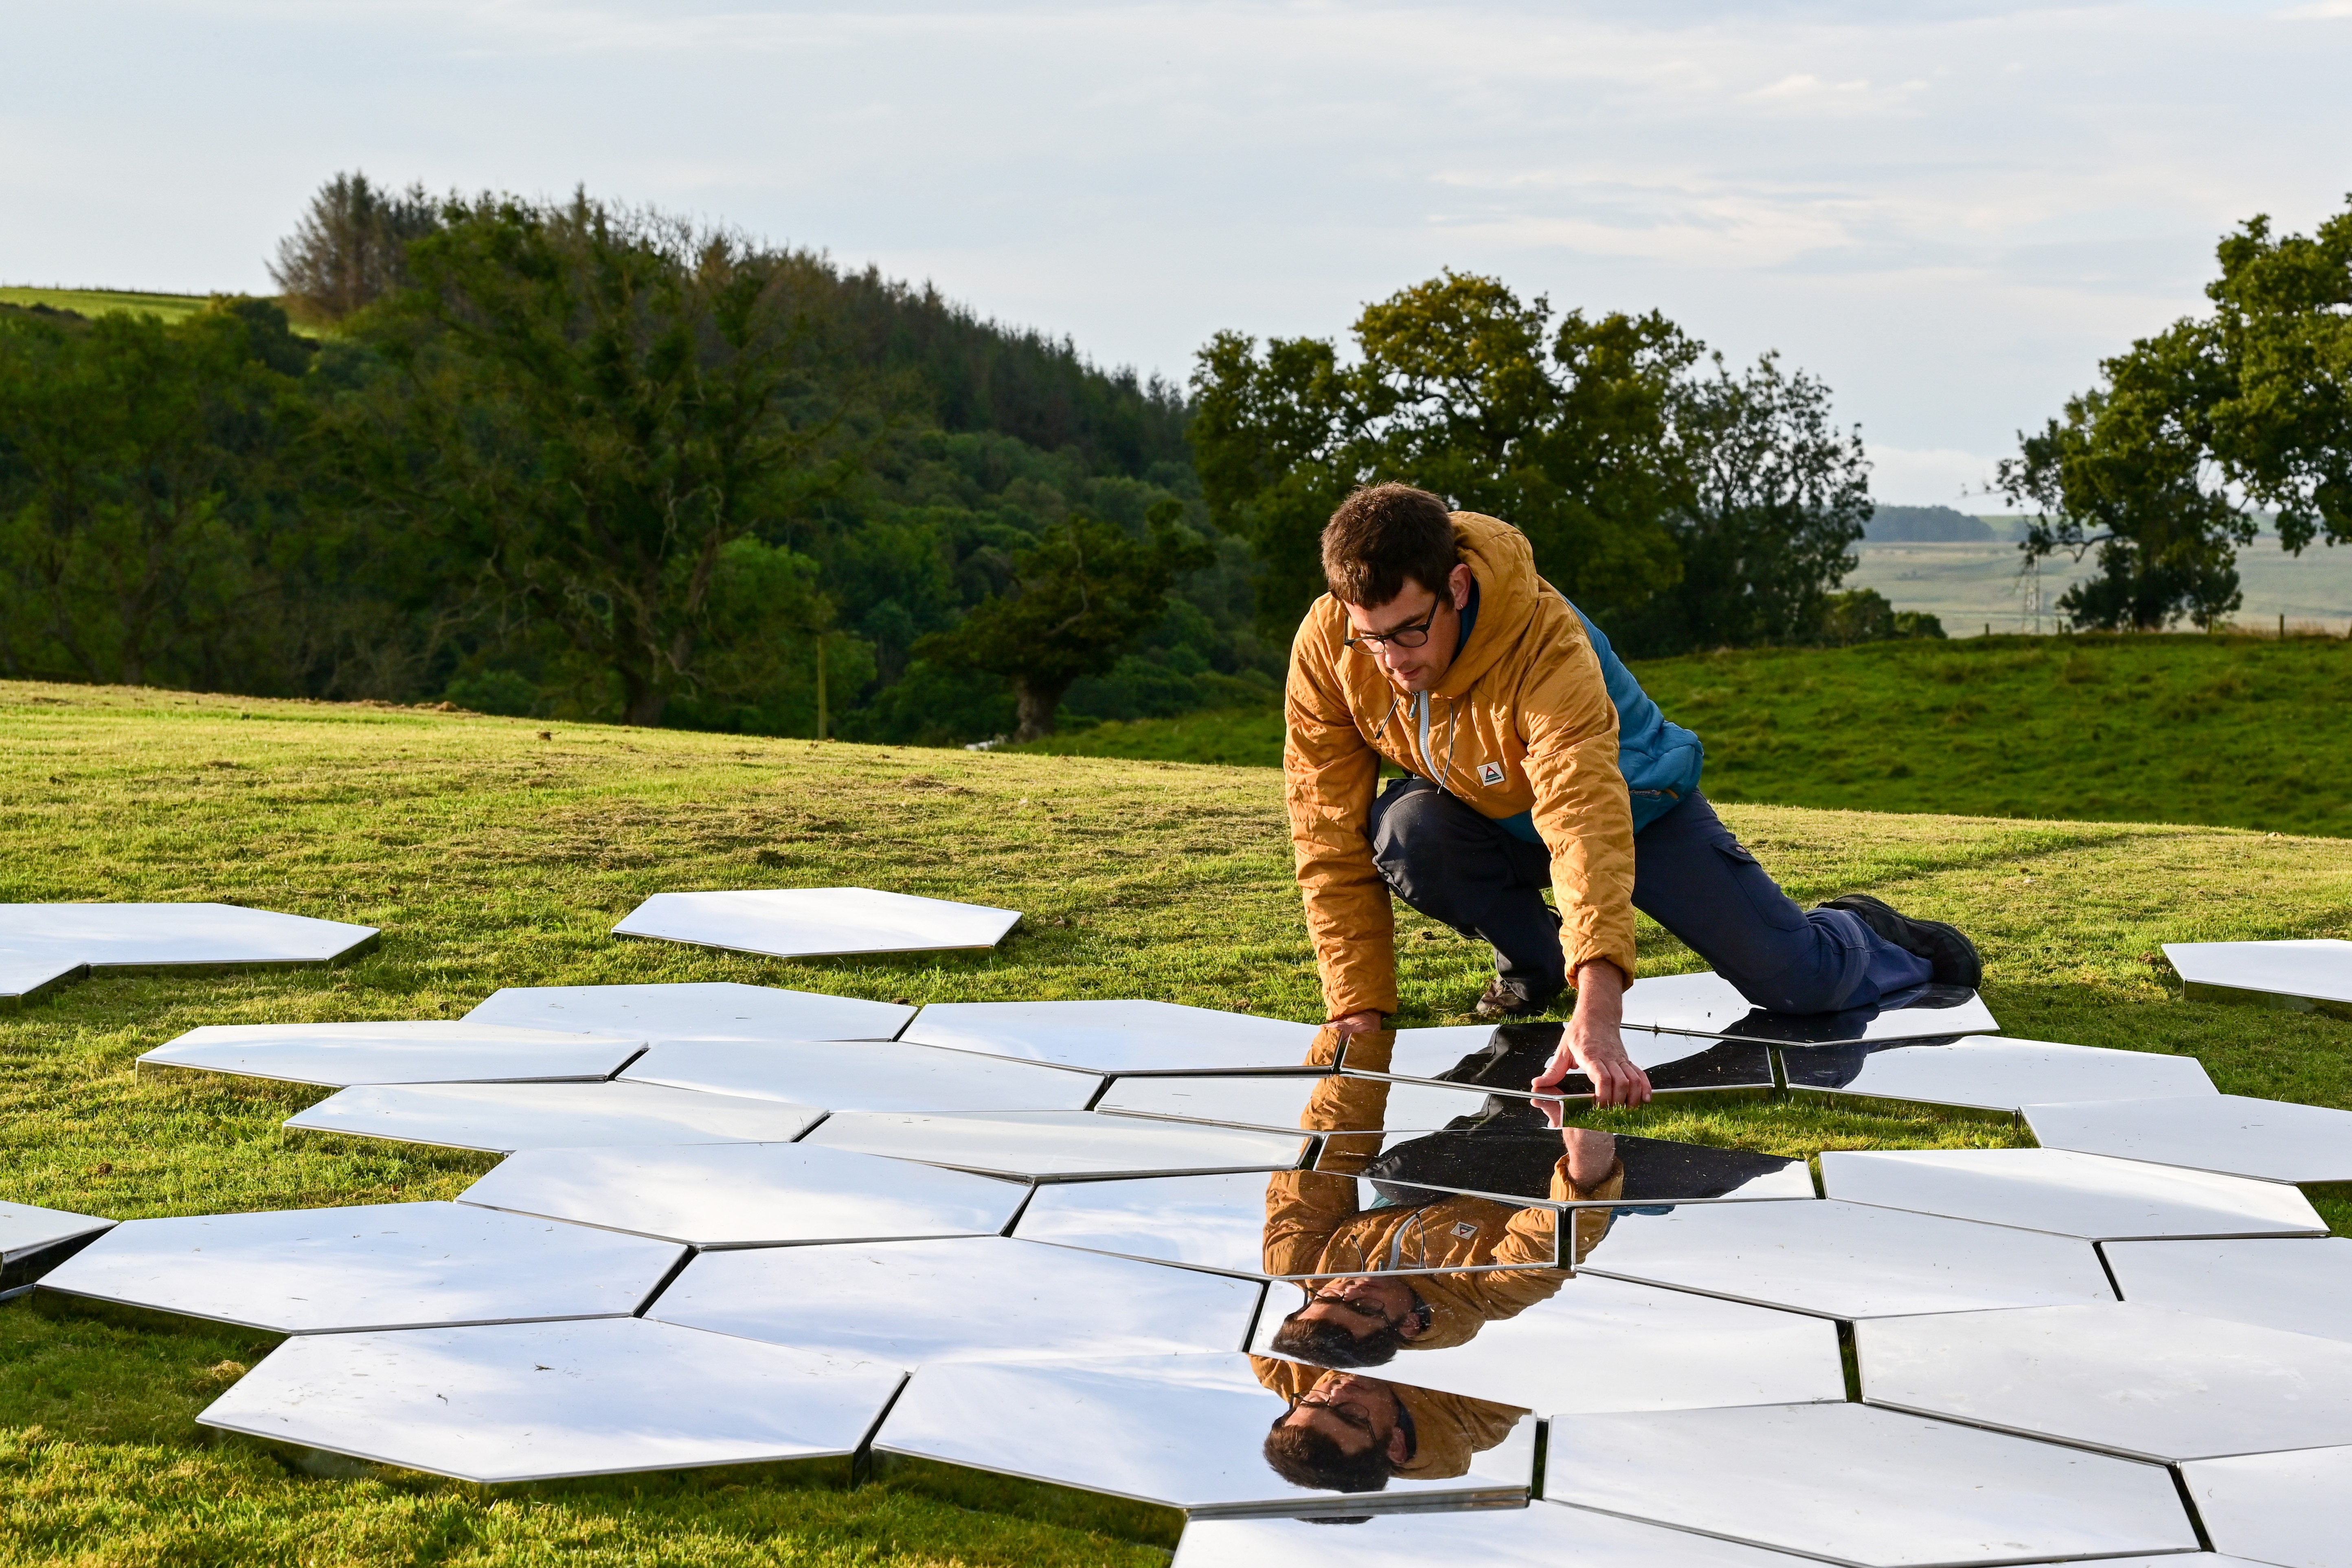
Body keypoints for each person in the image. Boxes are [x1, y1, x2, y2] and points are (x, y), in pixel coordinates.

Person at [1284, 483, 1981, 1106]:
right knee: (1408, 830)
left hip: (1636, 808)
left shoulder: (1544, 641)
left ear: (1458, 587)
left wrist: (1599, 1008)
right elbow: (1325, 826)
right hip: (1491, 814)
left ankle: (1864, 929)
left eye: (1411, 630)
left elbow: (1583, 818)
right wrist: (1357, 1008)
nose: (1393, 660)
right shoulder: (1329, 645)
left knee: (1801, 985)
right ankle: (1536, 967)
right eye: (1371, 638)